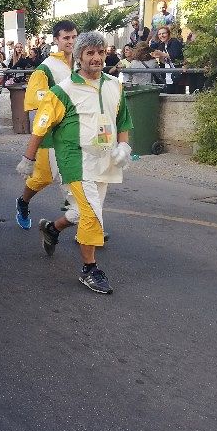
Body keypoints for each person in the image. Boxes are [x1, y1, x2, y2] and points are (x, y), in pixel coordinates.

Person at [16, 31, 133, 295]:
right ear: (79, 56)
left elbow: (123, 120)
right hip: (75, 160)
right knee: (92, 214)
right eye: (90, 53)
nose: (96, 58)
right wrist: (29, 157)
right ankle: (89, 269)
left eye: (101, 52)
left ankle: (52, 228)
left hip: (104, 160)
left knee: (82, 213)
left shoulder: (115, 85)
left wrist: (124, 146)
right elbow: (41, 125)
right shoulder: (63, 91)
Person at [14, 20, 78, 230]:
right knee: (43, 177)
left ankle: (86, 223)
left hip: (75, 133)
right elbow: (35, 103)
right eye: (66, 38)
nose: (70, 41)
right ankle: (23, 202)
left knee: (76, 176)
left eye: (73, 37)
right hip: (50, 133)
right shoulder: (45, 69)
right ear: (56, 40)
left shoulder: (80, 63)